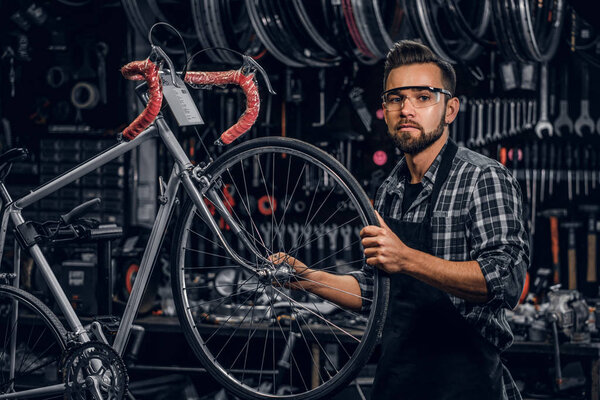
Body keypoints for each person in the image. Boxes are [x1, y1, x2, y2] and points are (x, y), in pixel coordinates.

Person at [272, 40, 529, 400]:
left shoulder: (483, 178)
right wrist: (307, 279)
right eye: (396, 98)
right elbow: (378, 291)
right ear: (385, 110)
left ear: (450, 109)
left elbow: (504, 280)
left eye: (423, 97)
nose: (407, 108)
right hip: (397, 383)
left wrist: (406, 258)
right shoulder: (389, 186)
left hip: (465, 385)